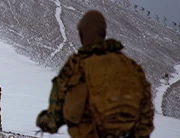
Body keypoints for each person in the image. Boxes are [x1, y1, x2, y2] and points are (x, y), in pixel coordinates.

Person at [36, 10, 154, 138]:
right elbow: (146, 110)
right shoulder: (130, 66)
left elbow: (54, 118)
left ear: (83, 33)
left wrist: (43, 121)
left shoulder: (77, 65)